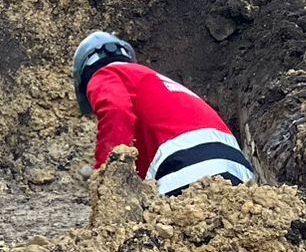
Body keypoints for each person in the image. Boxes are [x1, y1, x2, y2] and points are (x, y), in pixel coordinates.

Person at [72, 32, 256, 196]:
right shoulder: (156, 82)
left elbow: (116, 111)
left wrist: (106, 178)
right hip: (241, 174)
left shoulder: (106, 73)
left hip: (184, 166)